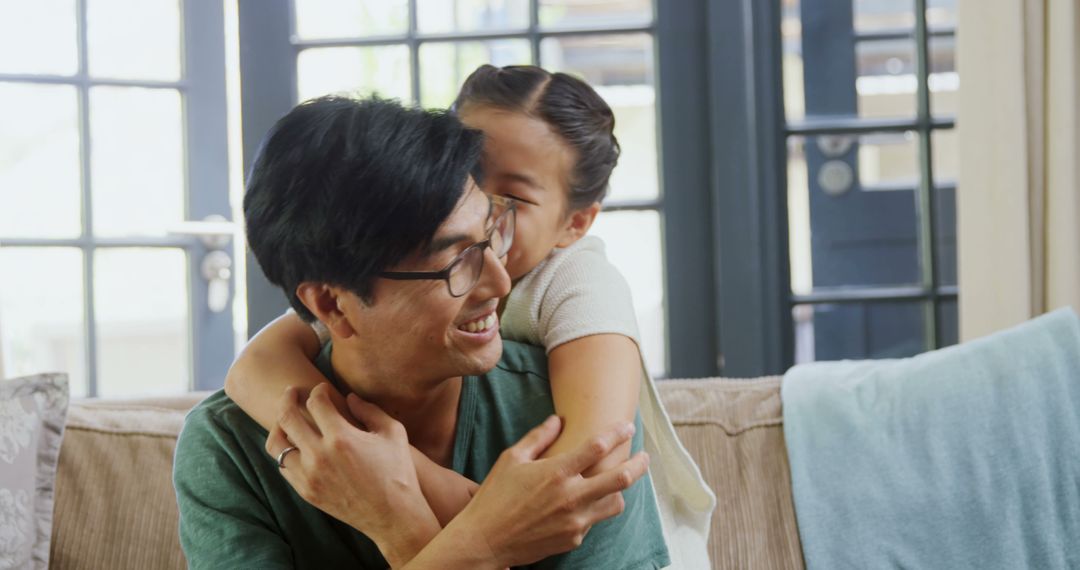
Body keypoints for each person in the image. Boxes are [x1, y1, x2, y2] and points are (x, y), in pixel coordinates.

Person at [225, 65, 715, 567]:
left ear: (576, 223)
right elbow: (257, 365)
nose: (483, 204)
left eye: (515, 199)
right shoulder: (383, 269)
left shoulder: (578, 286)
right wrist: (372, 458)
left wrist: (398, 503)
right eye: (470, 175)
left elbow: (579, 488)